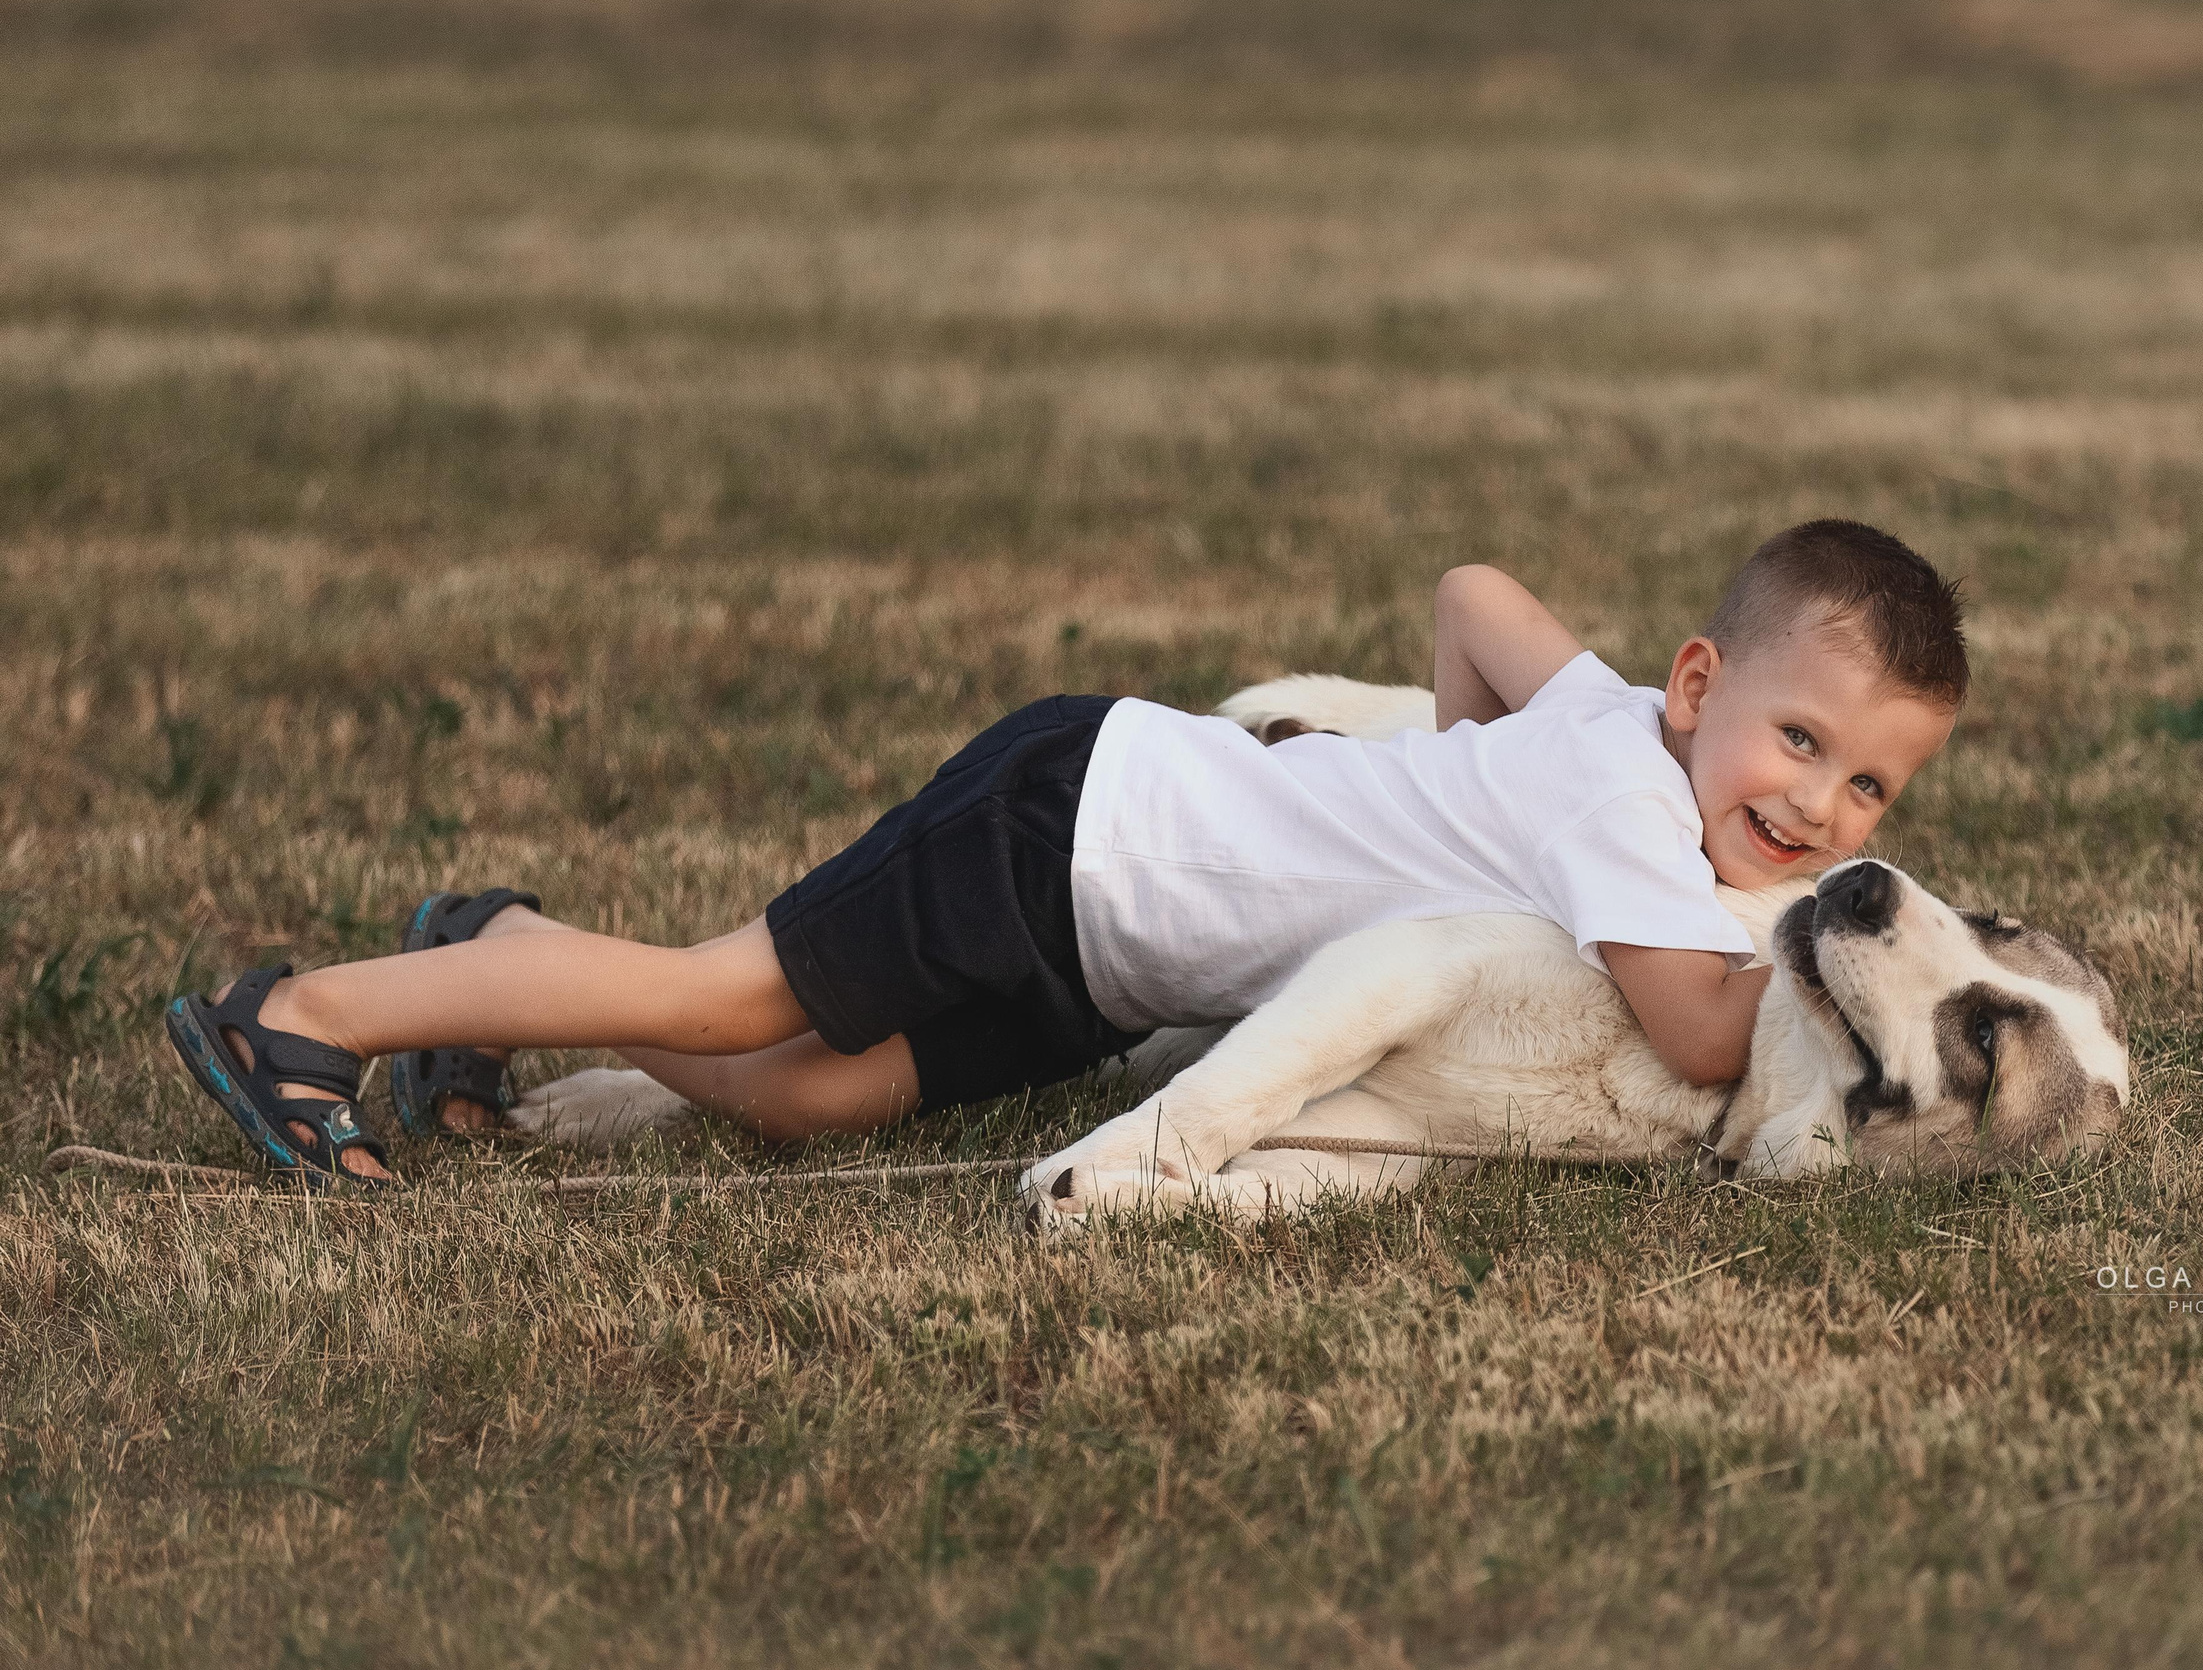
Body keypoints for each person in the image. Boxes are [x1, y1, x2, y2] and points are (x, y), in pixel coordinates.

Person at [165, 520, 1967, 1185]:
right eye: (1801, 746)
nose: (1816, 813)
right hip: (1087, 828)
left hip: (1118, 958)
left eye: (1870, 793)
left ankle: (496, 952)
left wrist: (1449, 772)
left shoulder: (1603, 731)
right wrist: (1838, 959)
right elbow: (1701, 1038)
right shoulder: (1636, 822)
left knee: (811, 1100)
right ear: (1703, 680)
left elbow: (1473, 594)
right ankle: (306, 1012)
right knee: (729, 1003)